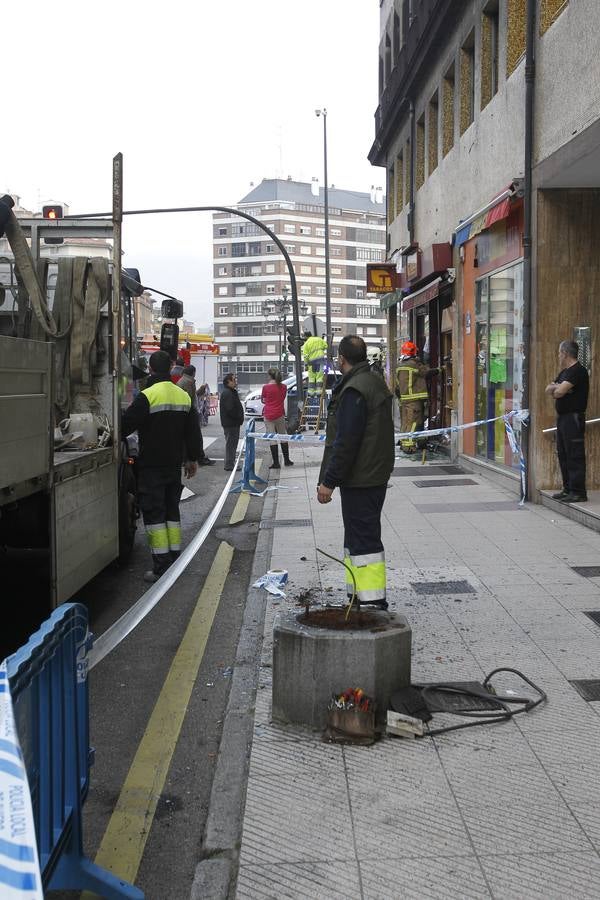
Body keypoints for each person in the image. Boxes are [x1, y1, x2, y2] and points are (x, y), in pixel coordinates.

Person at [317, 334, 395, 610]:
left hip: (361, 477)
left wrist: (328, 481)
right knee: (358, 536)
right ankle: (358, 596)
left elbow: (346, 441)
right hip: (373, 473)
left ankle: (372, 601)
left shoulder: (354, 389)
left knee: (362, 539)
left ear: (342, 359)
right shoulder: (373, 381)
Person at [122, 350, 201, 582]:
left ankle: (161, 566)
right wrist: (192, 459)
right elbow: (193, 432)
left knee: (154, 514)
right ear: (171, 367)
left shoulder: (147, 396)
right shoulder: (182, 396)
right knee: (171, 510)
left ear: (150, 369)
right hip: (173, 465)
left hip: (151, 466)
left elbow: (126, 426)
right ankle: (175, 557)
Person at [545, 340, 589, 503]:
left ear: (565, 353)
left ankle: (578, 492)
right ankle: (568, 489)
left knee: (574, 454)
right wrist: (558, 388)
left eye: (559, 353)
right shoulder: (564, 372)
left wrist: (559, 388)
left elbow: (558, 392)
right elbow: (549, 390)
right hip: (563, 418)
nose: (558, 356)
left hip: (573, 418)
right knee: (563, 453)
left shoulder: (578, 371)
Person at [395, 341, 442, 453]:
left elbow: (397, 385)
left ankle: (406, 443)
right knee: (414, 422)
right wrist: (440, 369)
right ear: (413, 352)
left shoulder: (400, 365)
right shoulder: (414, 364)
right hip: (414, 399)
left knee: (405, 422)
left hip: (404, 399)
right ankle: (408, 446)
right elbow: (426, 373)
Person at [178, 365, 215, 466]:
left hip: (184, 413)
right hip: (189, 413)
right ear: (193, 372)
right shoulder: (189, 382)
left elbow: (193, 395)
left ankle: (188, 458)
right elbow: (190, 399)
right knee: (196, 437)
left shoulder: (183, 380)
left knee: (188, 438)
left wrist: (201, 390)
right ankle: (199, 458)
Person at [261, 368, 293, 469]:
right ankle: (287, 460)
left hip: (269, 415)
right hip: (280, 414)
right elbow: (282, 398)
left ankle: (276, 463)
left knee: (272, 438)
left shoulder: (265, 387)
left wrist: (269, 402)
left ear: (270, 376)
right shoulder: (284, 387)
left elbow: (263, 400)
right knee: (283, 435)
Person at [220, 372, 244, 471]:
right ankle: (229, 464)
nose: (236, 381)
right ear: (228, 381)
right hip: (231, 423)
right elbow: (230, 409)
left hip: (232, 423)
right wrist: (238, 417)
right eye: (234, 380)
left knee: (232, 444)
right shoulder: (228, 393)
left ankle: (230, 463)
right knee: (231, 445)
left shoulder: (231, 392)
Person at [302, 331, 329, 397]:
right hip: (320, 360)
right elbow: (326, 346)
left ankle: (311, 392)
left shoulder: (306, 344)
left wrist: (306, 363)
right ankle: (319, 392)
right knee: (319, 376)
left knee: (311, 377)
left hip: (311, 361)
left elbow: (305, 356)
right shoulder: (319, 339)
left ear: (305, 336)